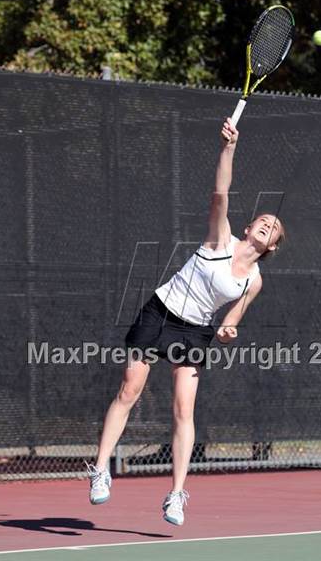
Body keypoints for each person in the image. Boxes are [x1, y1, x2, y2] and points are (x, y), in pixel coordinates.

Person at [85, 118, 285, 526]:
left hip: (193, 332)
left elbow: (230, 322)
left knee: (182, 409)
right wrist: (228, 148)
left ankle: (176, 494)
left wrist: (229, 331)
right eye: (263, 220)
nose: (268, 224)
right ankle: (101, 468)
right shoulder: (219, 238)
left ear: (272, 246)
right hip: (160, 311)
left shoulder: (254, 280)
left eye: (275, 228)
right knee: (130, 388)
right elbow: (220, 194)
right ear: (248, 228)